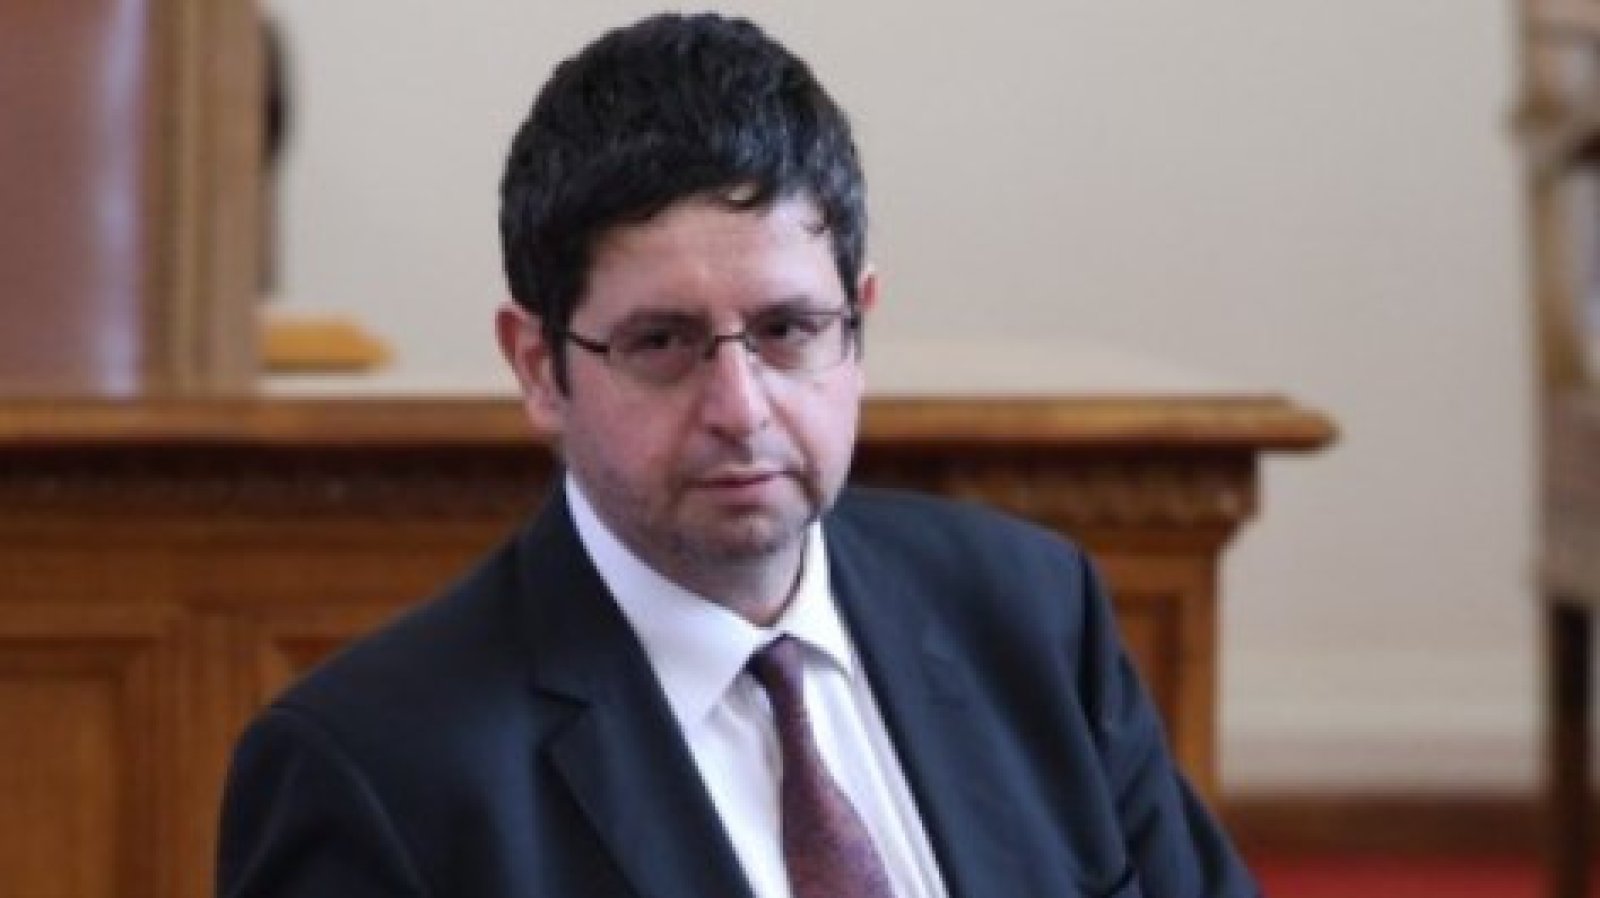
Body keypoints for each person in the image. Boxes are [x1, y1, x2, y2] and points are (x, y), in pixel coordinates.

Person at [216, 12, 1259, 898]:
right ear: (539, 367)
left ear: (858, 322)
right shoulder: (375, 770)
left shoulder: (1031, 616)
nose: (739, 407)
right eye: (662, 343)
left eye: (788, 330)